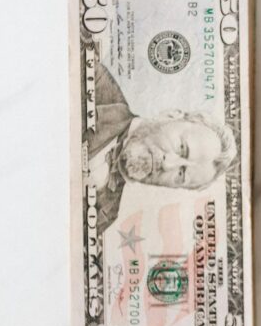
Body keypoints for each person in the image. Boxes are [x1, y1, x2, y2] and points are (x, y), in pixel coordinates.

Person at [85, 61, 237, 233]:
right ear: (170, 115)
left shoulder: (106, 216)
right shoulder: (94, 79)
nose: (167, 164)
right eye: (181, 148)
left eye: (181, 174)